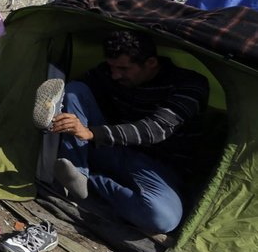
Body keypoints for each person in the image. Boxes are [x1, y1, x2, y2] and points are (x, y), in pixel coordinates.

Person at [35, 30, 209, 235]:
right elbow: (81, 91)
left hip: (159, 169)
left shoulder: (190, 85)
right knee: (75, 90)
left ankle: (89, 179)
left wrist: (91, 133)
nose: (115, 75)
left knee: (162, 219)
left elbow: (155, 129)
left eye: (124, 68)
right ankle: (77, 171)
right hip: (114, 149)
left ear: (151, 63)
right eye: (112, 67)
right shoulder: (108, 73)